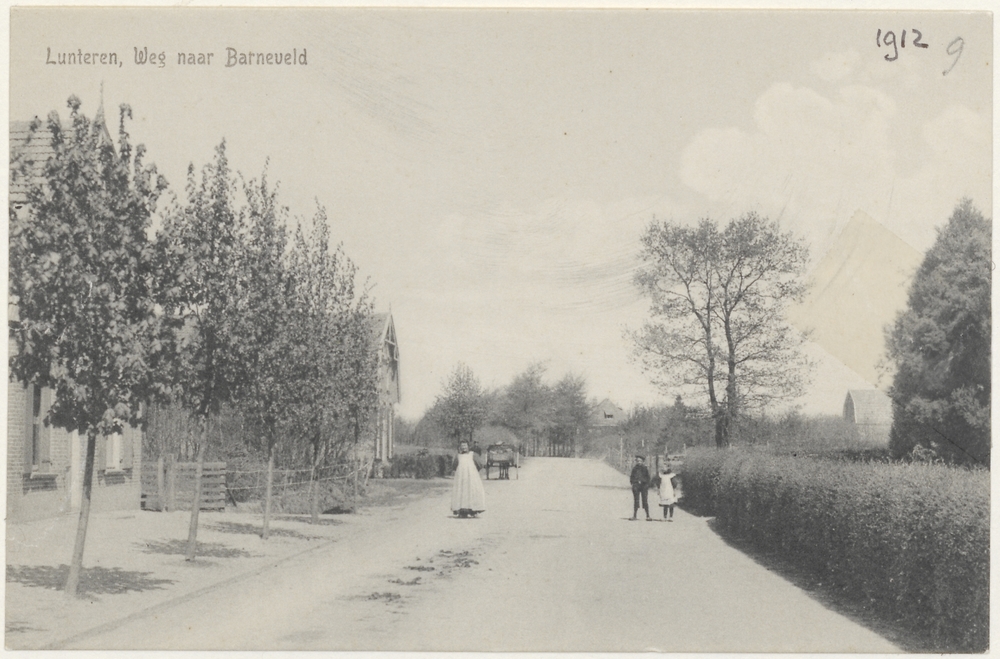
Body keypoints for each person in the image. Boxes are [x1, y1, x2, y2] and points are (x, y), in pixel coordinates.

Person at [451, 440, 486, 518]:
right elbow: (454, 466)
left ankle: (474, 511)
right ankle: (462, 511)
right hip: (461, 477)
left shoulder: (473, 454)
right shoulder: (458, 456)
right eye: (462, 446)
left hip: (471, 476)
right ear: (460, 447)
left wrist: (473, 471)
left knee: (472, 491)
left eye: (465, 445)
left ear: (468, 446)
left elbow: (479, 464)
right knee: (461, 492)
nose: (464, 447)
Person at [629, 455, 651, 520]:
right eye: (638, 461)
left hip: (644, 486)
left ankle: (648, 516)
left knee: (645, 500)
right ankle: (634, 516)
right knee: (636, 500)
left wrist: (646, 484)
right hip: (636, 485)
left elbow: (648, 477)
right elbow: (632, 477)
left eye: (640, 461)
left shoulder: (645, 468)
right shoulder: (634, 469)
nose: (639, 462)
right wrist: (633, 483)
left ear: (643, 462)